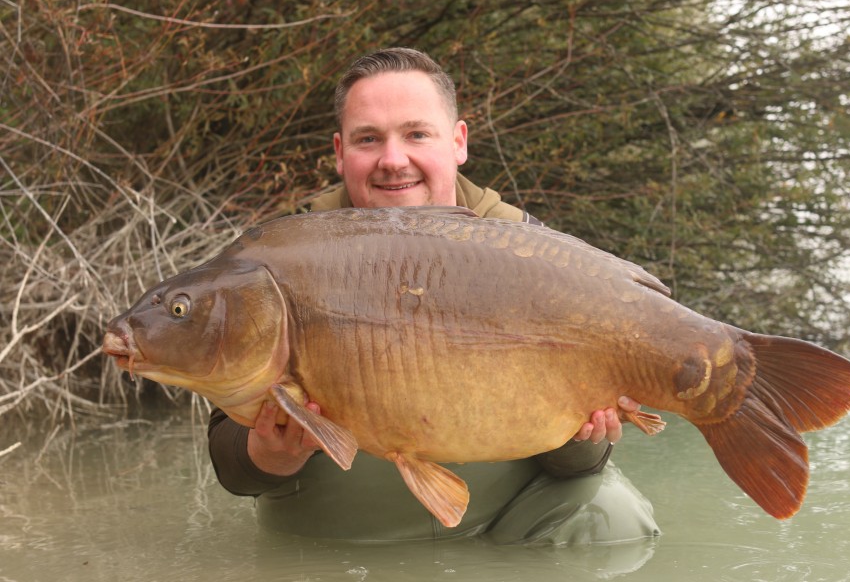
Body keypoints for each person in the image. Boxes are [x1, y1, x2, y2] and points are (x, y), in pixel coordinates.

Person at [208, 47, 659, 544]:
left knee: (613, 518)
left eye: (416, 134)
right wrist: (268, 456)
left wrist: (582, 437)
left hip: (502, 518)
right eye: (368, 139)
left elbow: (580, 468)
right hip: (343, 527)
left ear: (458, 141)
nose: (393, 160)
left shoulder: (532, 254)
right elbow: (231, 466)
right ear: (340, 151)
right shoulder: (278, 258)